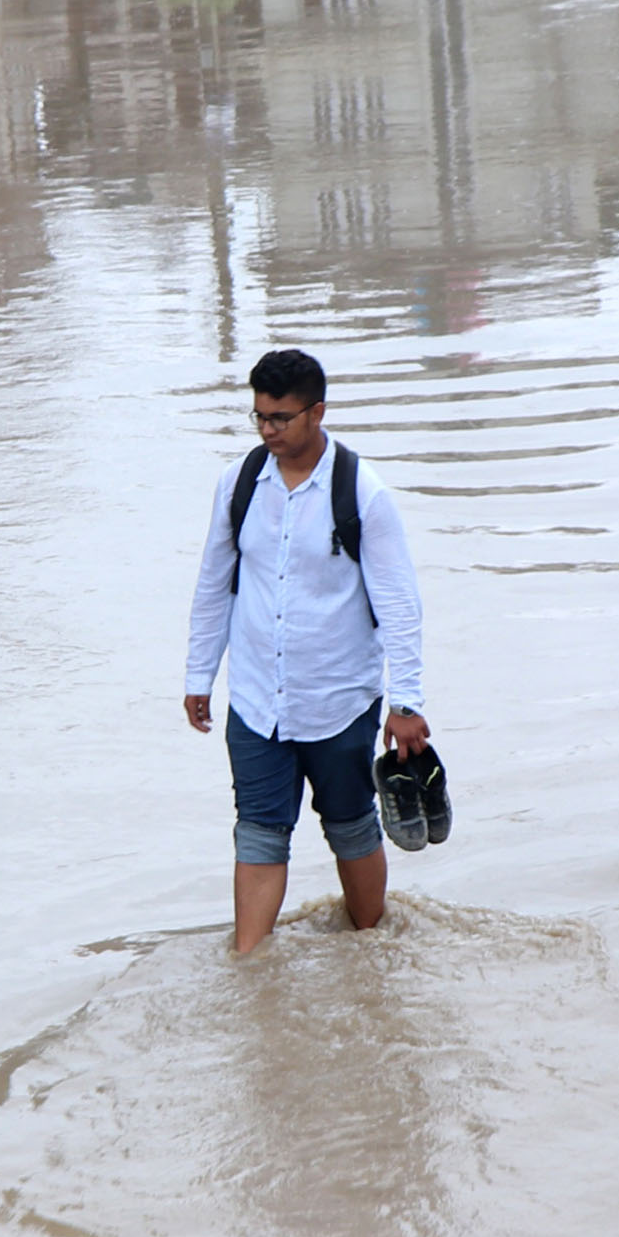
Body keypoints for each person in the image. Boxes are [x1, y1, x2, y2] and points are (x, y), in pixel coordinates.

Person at [183, 348, 431, 954]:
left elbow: (400, 603)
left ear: (317, 412)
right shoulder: (239, 483)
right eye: (259, 417)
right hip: (255, 702)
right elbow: (215, 584)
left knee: (350, 829)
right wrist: (199, 674)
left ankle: (372, 955)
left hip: (339, 701)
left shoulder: (361, 492)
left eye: (281, 418)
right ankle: (249, 971)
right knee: (259, 835)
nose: (268, 430)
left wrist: (406, 702)